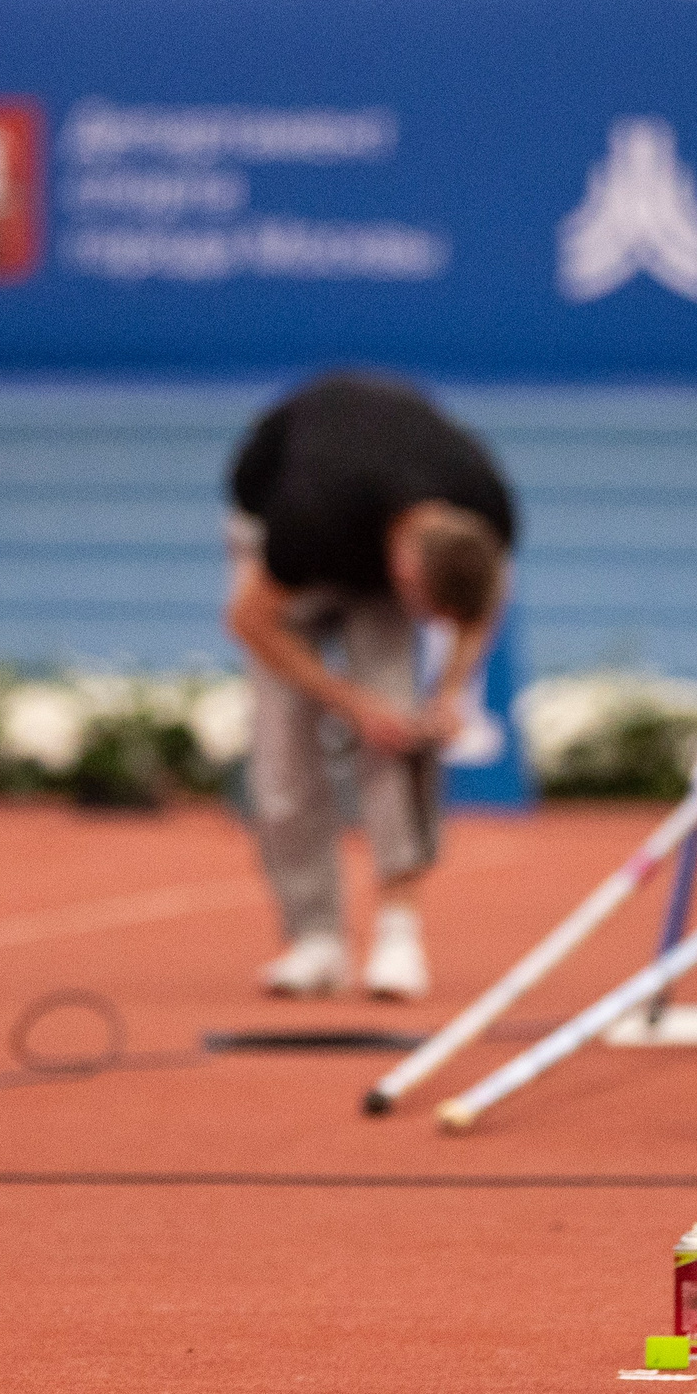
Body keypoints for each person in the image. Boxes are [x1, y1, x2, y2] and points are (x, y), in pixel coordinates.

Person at [224, 373, 515, 1000]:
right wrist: (352, 704)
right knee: (281, 756)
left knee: (397, 731)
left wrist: (449, 694)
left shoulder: (485, 506)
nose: (426, 628)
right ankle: (316, 940)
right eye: (423, 612)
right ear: (404, 569)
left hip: (371, 508)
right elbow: (249, 621)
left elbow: (484, 600)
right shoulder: (310, 518)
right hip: (276, 532)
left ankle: (398, 930)